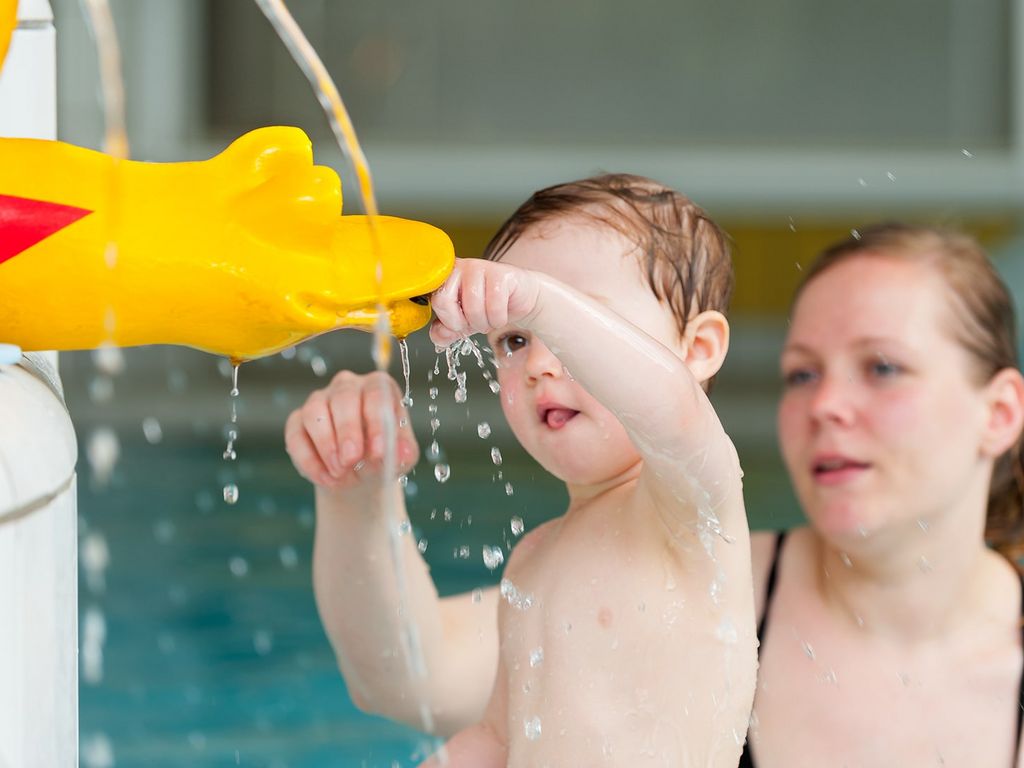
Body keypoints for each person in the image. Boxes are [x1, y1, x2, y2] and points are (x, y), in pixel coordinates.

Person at [285, 174, 758, 766]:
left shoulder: (690, 507)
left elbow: (671, 408)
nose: (537, 361)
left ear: (699, 349)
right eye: (513, 339)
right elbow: (497, 742)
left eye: (578, 318)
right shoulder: (534, 560)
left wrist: (539, 301)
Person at [739, 223, 1024, 768]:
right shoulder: (697, 604)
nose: (824, 403)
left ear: (999, 414)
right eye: (801, 374)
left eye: (882, 367)